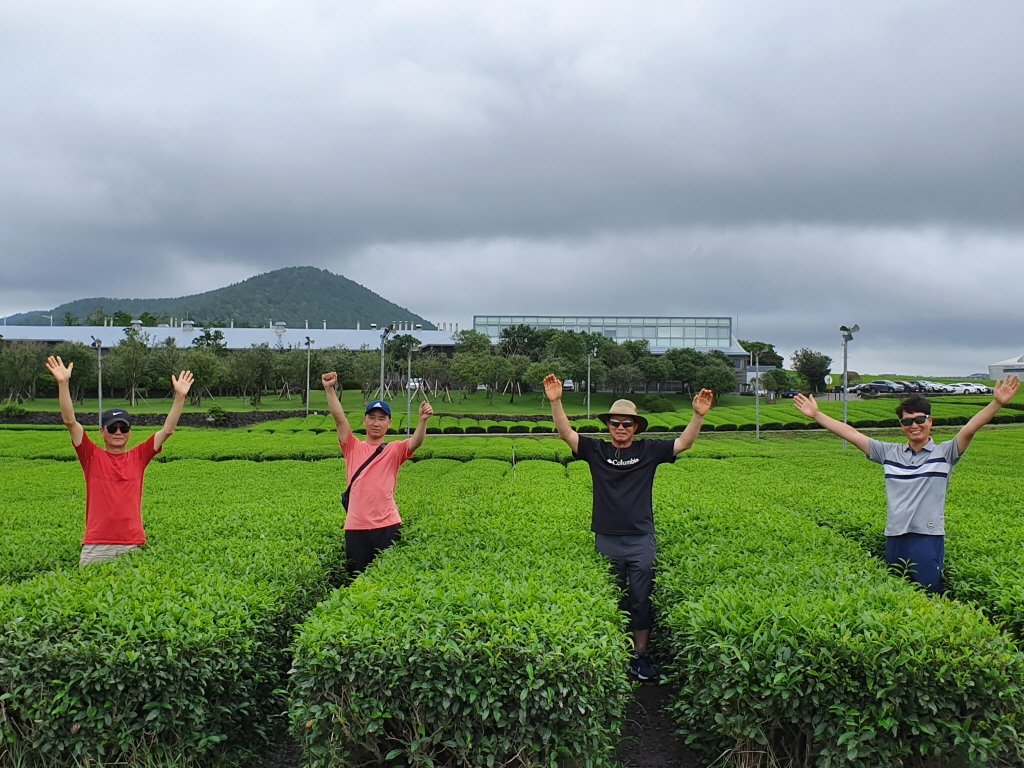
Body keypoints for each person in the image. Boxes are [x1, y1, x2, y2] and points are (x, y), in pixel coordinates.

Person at [544, 374, 714, 682]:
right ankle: (611, 655)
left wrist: (697, 416)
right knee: (610, 598)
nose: (620, 428)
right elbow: (566, 434)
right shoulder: (596, 451)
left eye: (627, 424)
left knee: (640, 598)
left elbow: (684, 443)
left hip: (640, 540)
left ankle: (640, 656)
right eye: (615, 423)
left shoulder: (648, 451)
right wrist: (556, 401)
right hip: (606, 538)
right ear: (608, 426)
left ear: (636, 427)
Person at [793, 374, 1020, 594]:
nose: (914, 425)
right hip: (894, 535)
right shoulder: (889, 452)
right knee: (897, 594)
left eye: (920, 419)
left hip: (927, 537)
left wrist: (996, 403)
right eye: (907, 421)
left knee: (928, 594)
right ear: (902, 425)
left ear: (930, 421)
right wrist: (817, 415)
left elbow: (969, 429)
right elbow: (852, 434)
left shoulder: (945, 453)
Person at [44, 355, 194, 567]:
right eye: (112, 428)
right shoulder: (91, 456)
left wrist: (180, 397)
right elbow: (70, 421)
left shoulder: (138, 456)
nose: (118, 432)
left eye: (123, 428)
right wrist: (63, 383)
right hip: (97, 545)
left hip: (133, 543)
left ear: (129, 432)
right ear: (102, 431)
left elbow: (168, 430)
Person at [322, 371, 434, 576]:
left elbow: (415, 442)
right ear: (364, 421)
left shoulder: (395, 449)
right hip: (356, 528)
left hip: (388, 526)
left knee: (387, 580)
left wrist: (423, 421)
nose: (376, 423)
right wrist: (330, 389)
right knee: (357, 580)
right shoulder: (352, 447)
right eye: (372, 418)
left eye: (382, 419)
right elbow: (339, 419)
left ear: (389, 423)